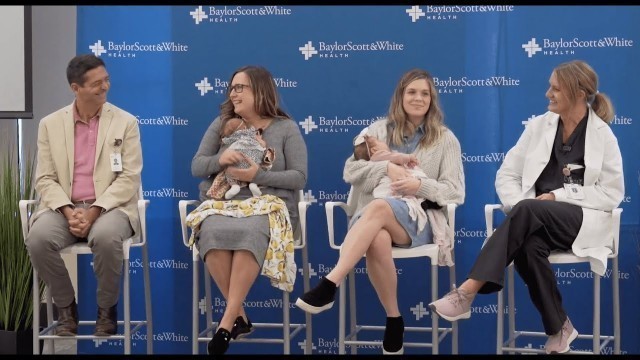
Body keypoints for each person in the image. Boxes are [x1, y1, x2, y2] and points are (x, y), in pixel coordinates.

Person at [428, 60, 624, 354]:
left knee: (529, 211)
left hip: (581, 222)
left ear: (579, 92)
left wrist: (558, 195)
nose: (548, 94)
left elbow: (612, 193)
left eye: (556, 88)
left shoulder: (602, 135)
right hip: (535, 221)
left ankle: (468, 290)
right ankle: (560, 327)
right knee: (528, 243)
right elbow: (507, 175)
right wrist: (521, 206)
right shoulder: (538, 126)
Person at [295, 68, 465, 355]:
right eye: (412, 92)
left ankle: (330, 283)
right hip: (376, 220)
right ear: (400, 96)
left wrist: (418, 185)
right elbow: (350, 170)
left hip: (419, 221)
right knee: (377, 237)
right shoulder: (376, 131)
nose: (418, 98)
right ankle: (394, 319)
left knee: (377, 208)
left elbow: (454, 191)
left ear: (432, 100)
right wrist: (386, 167)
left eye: (425, 93)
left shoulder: (445, 139)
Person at [190, 65, 307, 355]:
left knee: (250, 229)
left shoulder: (286, 128)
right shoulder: (222, 124)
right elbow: (196, 166)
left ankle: (227, 321)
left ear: (260, 90)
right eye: (231, 88)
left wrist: (257, 175)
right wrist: (221, 158)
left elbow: (299, 177)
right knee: (211, 229)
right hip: (226, 204)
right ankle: (238, 317)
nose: (233, 93)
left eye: (240, 87)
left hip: (269, 206)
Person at [25, 54, 143, 337]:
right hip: (63, 209)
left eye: (106, 80)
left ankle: (106, 311)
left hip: (110, 208)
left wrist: (94, 211)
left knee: (105, 236)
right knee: (38, 239)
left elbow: (129, 177)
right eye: (96, 84)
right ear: (75, 88)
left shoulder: (125, 122)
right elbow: (45, 178)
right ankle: (66, 310)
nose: (105, 87)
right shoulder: (49, 124)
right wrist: (68, 211)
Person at [353, 133, 429, 233]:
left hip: (389, 190)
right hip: (387, 189)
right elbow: (395, 156)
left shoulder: (381, 159)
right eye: (379, 141)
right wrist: (408, 157)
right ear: (374, 150)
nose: (384, 142)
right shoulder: (378, 156)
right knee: (393, 190)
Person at [207, 117, 275, 200]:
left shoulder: (234, 138)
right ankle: (253, 184)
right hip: (255, 157)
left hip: (239, 160)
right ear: (245, 127)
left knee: (228, 172)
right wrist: (262, 144)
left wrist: (225, 141)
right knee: (260, 162)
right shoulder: (252, 133)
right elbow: (197, 167)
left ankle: (234, 186)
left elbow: (226, 141)